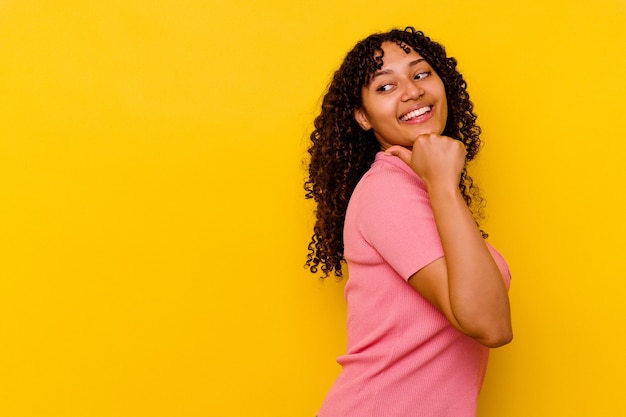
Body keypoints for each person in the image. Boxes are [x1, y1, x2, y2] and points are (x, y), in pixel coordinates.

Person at [304, 27, 513, 417]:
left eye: (420, 74)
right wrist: (443, 185)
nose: (412, 91)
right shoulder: (390, 191)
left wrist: (439, 185)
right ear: (363, 117)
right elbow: (491, 326)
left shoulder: (421, 185)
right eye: (385, 87)